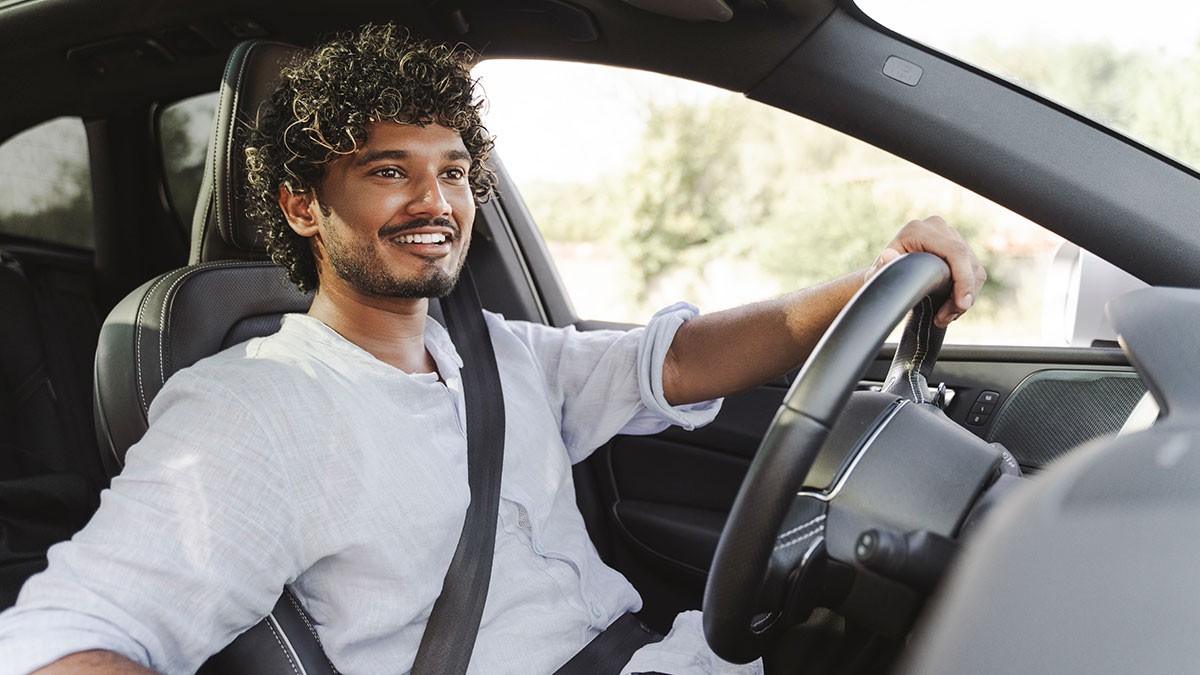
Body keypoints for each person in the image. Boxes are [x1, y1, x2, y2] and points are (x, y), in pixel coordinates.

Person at [0, 23, 985, 675]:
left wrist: (865, 287)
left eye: (455, 171)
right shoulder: (256, 410)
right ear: (302, 204)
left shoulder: (494, 351)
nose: (437, 204)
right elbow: (70, 632)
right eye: (390, 172)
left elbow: (671, 363)